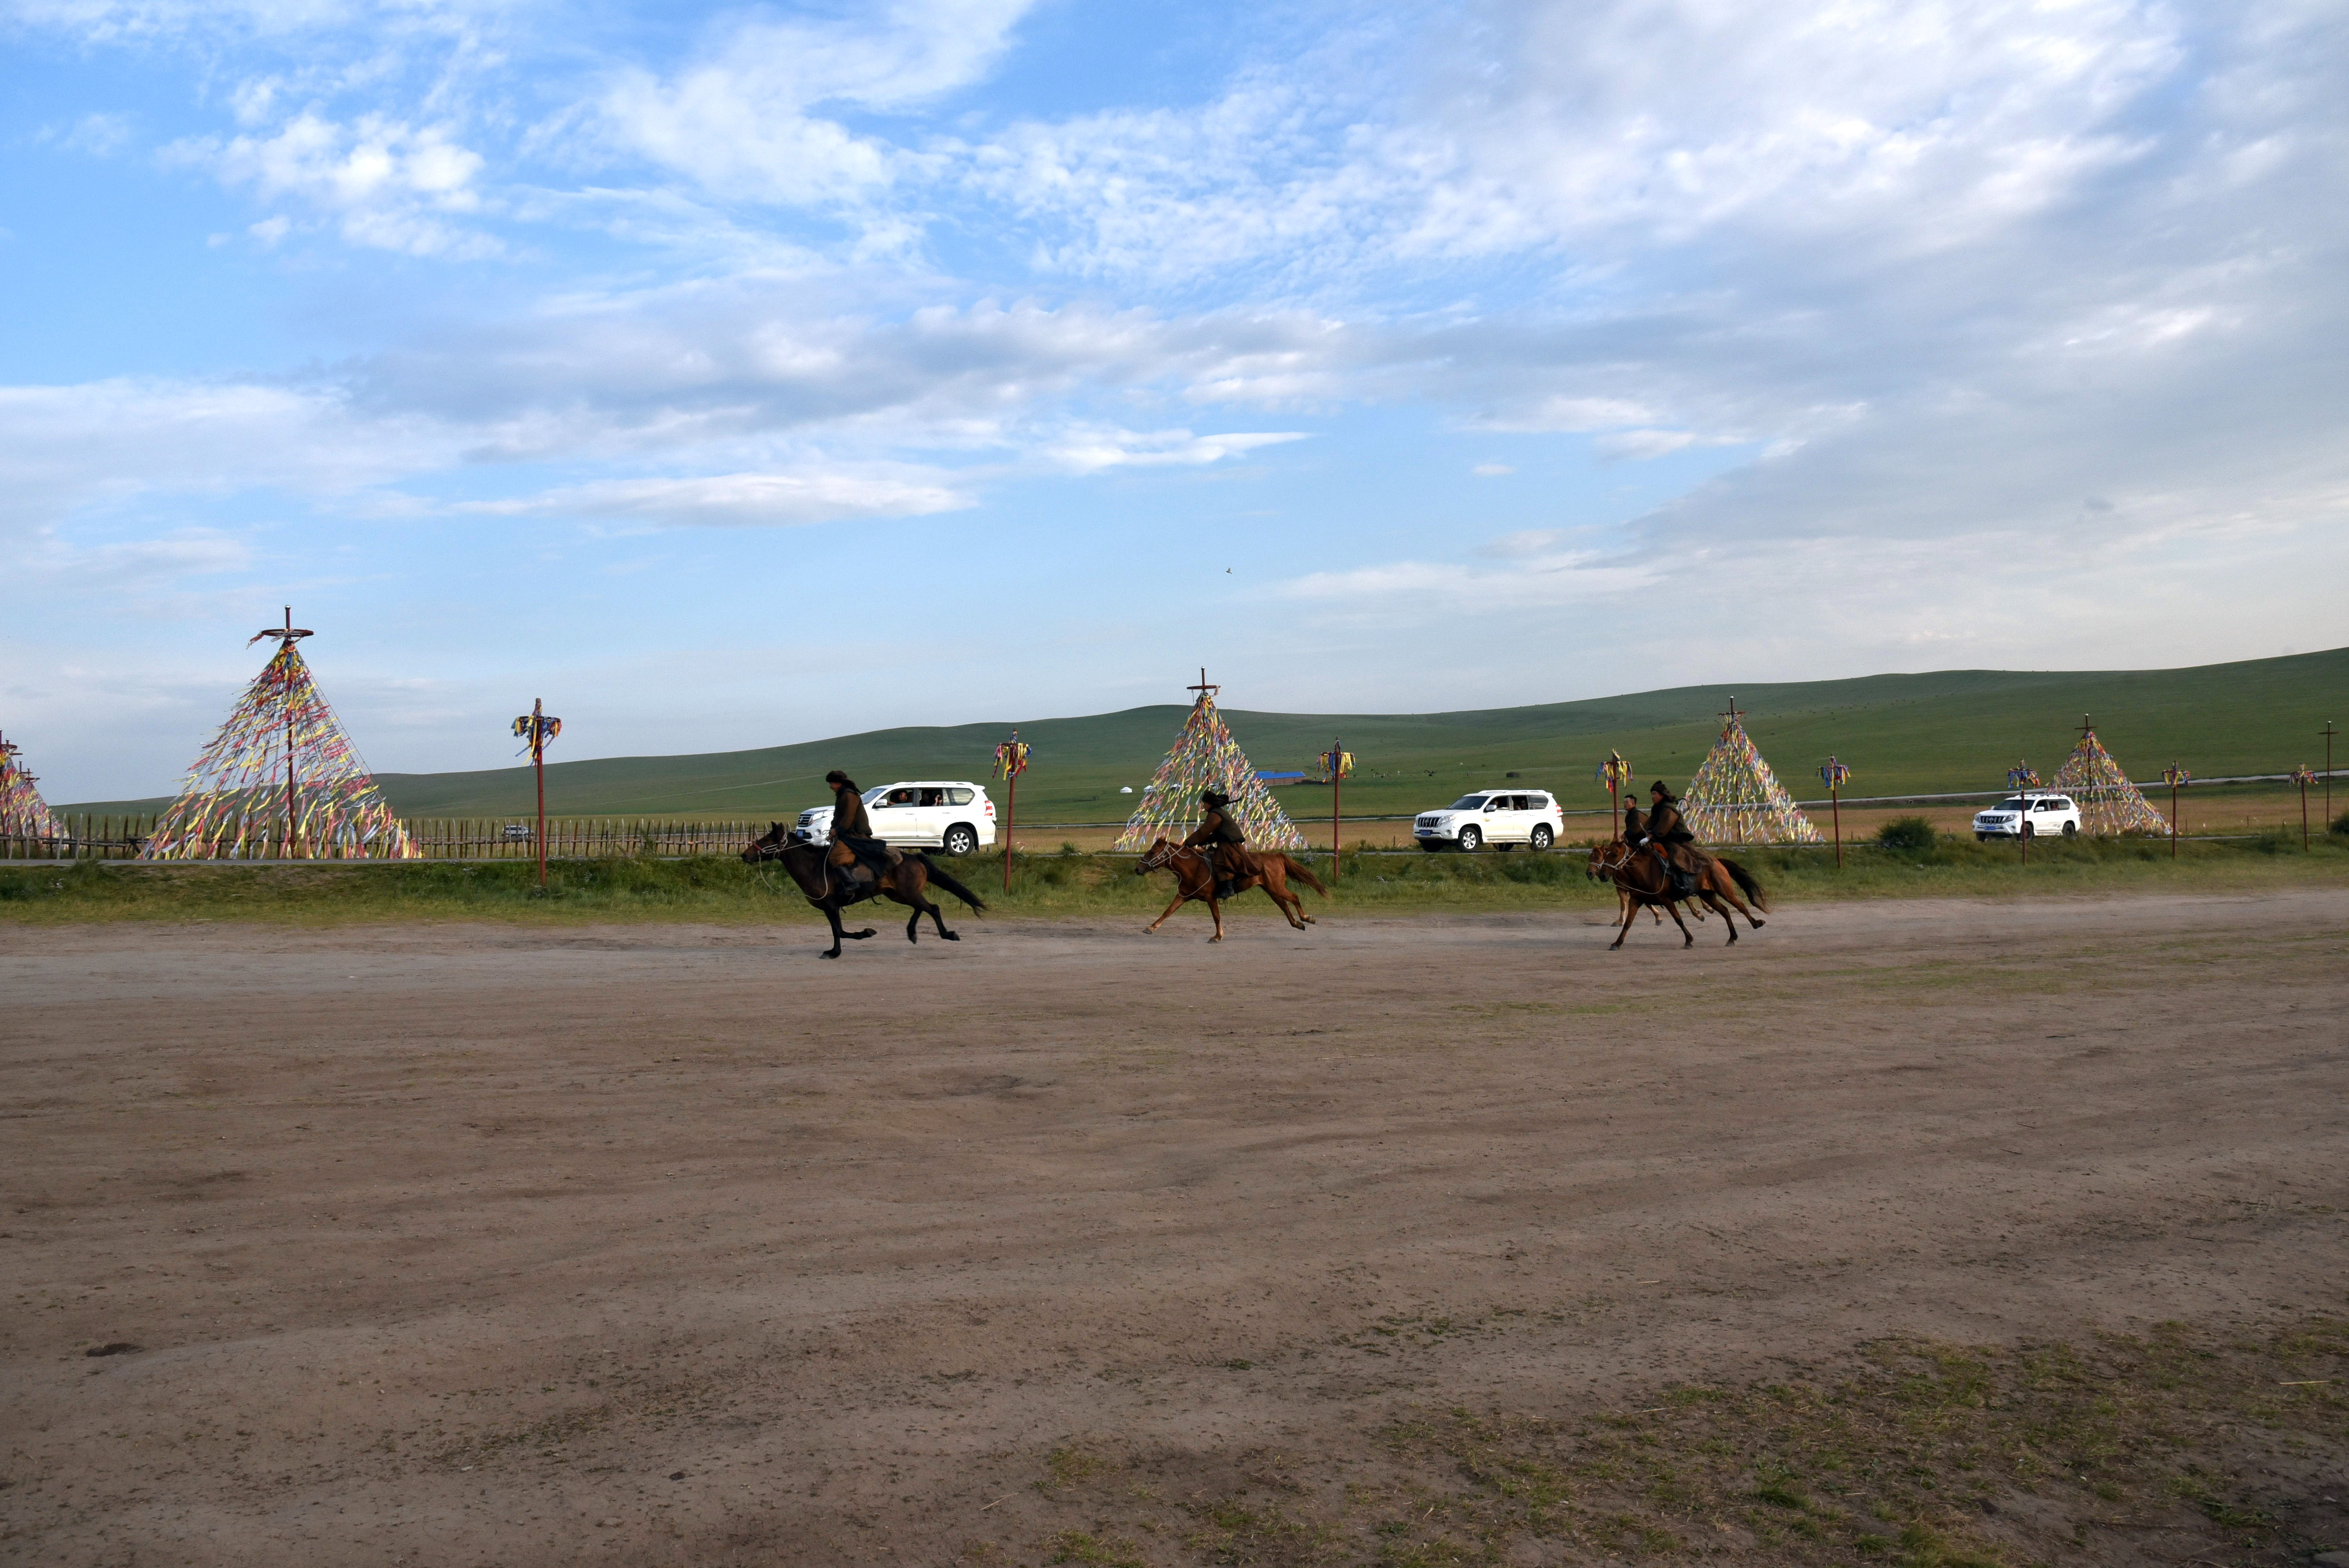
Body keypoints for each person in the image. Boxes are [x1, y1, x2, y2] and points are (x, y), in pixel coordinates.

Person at [824, 770, 892, 894]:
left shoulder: (849, 796)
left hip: (855, 834)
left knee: (835, 858)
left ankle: (852, 884)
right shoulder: (843, 795)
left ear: (839, 783)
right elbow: (838, 817)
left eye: (832, 784)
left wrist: (837, 831)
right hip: (847, 833)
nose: (830, 787)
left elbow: (848, 818)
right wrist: (832, 830)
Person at [1181, 788, 1250, 899]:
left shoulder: (1215, 815)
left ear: (1210, 804)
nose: (1203, 806)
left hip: (1229, 844)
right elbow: (1215, 835)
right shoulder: (1218, 813)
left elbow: (1203, 832)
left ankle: (1228, 888)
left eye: (1204, 804)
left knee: (1218, 861)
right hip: (1228, 842)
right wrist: (1203, 842)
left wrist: (1188, 843)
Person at [1641, 780, 1702, 896]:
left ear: (1662, 795)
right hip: (1665, 839)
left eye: (1655, 794)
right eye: (1652, 794)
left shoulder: (1668, 809)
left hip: (1678, 840)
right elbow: (1651, 823)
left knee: (1675, 856)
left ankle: (1685, 885)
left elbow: (1663, 828)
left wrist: (1652, 834)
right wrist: (1646, 832)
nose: (1653, 797)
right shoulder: (1656, 809)